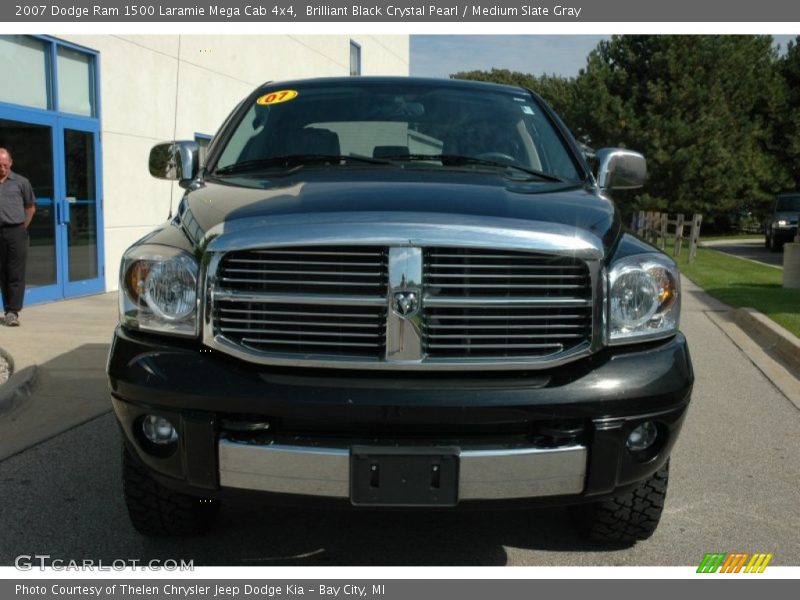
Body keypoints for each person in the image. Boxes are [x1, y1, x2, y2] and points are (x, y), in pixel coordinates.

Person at [0, 148, 36, 326]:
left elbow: (30, 207)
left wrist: (22, 227)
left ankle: (12, 312)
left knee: (15, 273)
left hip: (16, 231)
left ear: (11, 163)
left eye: (5, 165)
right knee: (2, 273)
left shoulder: (22, 182)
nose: (2, 168)